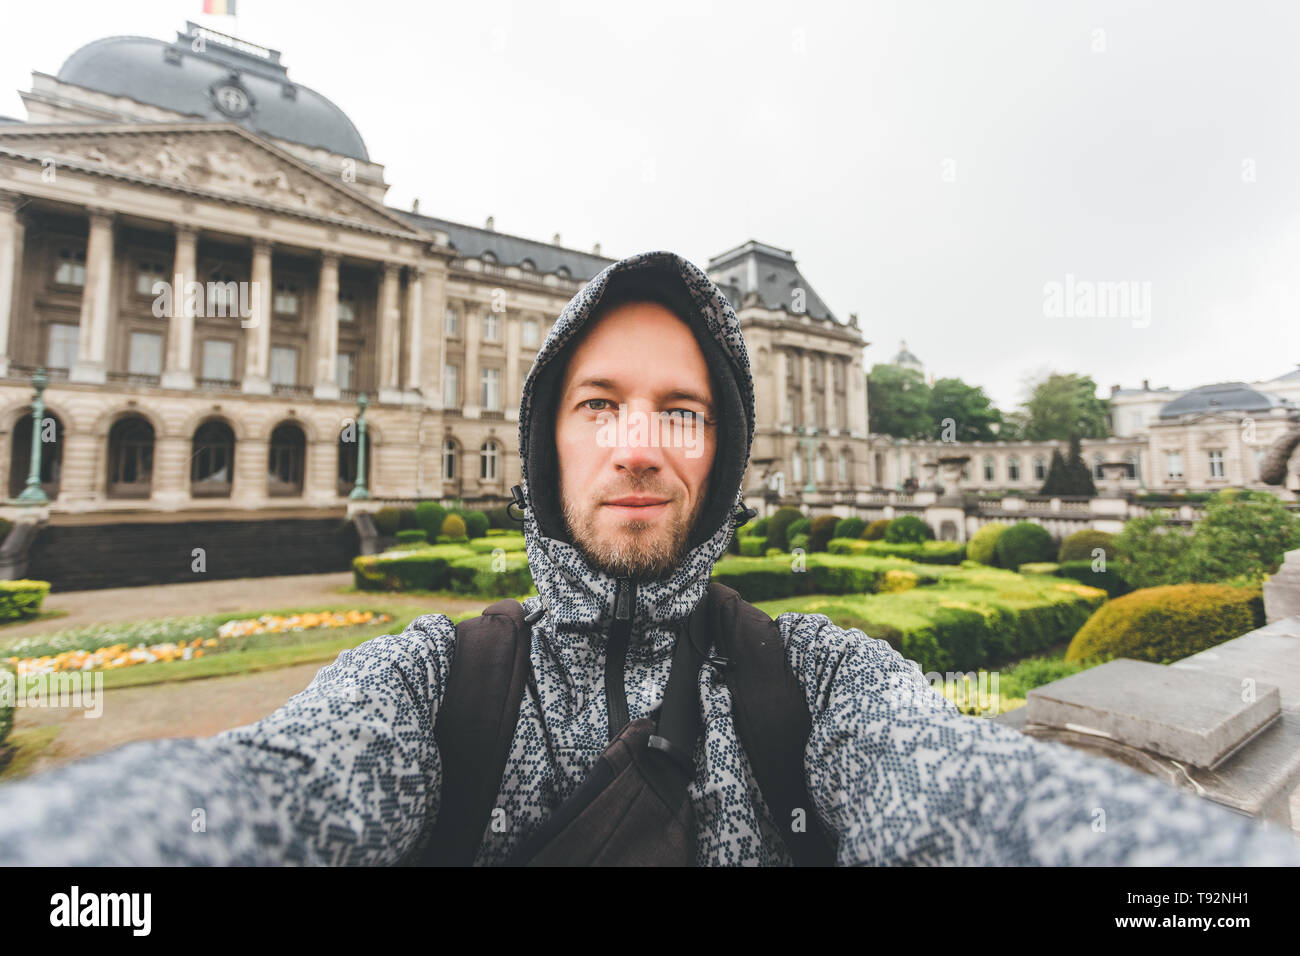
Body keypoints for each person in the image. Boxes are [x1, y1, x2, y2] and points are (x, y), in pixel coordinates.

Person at [0, 250, 1295, 866]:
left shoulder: (820, 684)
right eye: (597, 403)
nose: (639, 446)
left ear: (720, 453)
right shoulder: (430, 687)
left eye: (682, 411)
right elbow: (244, 805)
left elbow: (987, 800)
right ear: (544, 443)